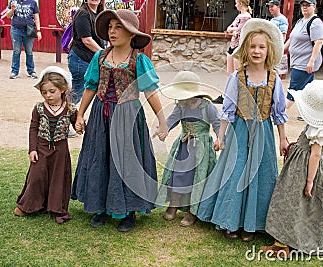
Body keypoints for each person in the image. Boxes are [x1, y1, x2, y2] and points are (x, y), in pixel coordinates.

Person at [71, 9, 168, 232]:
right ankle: (99, 207)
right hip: (101, 116)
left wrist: (162, 121)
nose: (112, 32)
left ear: (132, 33)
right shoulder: (100, 56)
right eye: (110, 27)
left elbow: (151, 92)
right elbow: (90, 87)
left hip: (128, 118)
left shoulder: (139, 60)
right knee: (100, 156)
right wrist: (80, 114)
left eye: (119, 27)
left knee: (127, 161)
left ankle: (129, 210)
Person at [197, 18, 289, 242]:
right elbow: (227, 110)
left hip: (264, 134)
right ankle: (231, 220)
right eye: (252, 46)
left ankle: (253, 223)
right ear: (245, 49)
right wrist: (220, 137)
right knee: (235, 174)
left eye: (261, 47)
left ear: (269, 51)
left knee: (261, 176)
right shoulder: (236, 77)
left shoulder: (274, 79)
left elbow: (279, 112)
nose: (257, 51)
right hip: (239, 132)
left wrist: (283, 140)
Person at [261, 80, 323, 257]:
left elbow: (314, 154)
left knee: (288, 202)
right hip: (305, 165)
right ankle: (301, 239)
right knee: (304, 207)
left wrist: (309, 181)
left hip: (303, 170)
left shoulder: (318, 128)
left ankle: (282, 245)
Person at [14, 66, 78, 224]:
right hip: (41, 148)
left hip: (60, 150)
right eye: (44, 92)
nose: (48, 95)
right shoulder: (39, 108)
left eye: (52, 91)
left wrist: (80, 125)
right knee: (37, 177)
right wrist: (32, 149)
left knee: (58, 178)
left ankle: (57, 208)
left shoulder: (70, 109)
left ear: (62, 89)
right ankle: (29, 205)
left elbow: (78, 124)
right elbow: (33, 128)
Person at [156, 71, 220, 227]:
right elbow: (172, 119)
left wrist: (220, 138)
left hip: (201, 149)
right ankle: (174, 205)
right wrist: (164, 130)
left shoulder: (207, 107)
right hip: (183, 147)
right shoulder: (181, 106)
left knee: (196, 178)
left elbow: (217, 123)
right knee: (178, 175)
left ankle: (193, 211)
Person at [284, 0, 323, 117]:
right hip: (298, 60)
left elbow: (319, 42)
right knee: (306, 90)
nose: (305, 8)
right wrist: (282, 50)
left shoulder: (315, 22)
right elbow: (291, 39)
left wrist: (311, 61)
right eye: (303, 5)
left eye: (308, 5)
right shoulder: (300, 21)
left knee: (294, 88)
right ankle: (309, 113)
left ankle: (282, 112)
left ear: (314, 7)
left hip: (305, 62)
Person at [213, 0, 252, 104]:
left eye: (236, 3)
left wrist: (233, 29)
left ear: (241, 3)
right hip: (233, 44)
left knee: (237, 73)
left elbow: (239, 30)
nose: (235, 5)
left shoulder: (246, 17)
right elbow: (230, 28)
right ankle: (227, 95)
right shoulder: (239, 16)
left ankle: (239, 96)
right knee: (230, 73)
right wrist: (233, 29)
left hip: (239, 46)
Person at [68, 0, 105, 104]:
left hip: (88, 59)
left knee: (80, 92)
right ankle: (62, 114)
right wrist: (104, 53)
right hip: (81, 59)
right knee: (77, 93)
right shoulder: (83, 14)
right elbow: (87, 40)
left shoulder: (97, 14)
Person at [5, 0, 42, 79]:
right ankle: (14, 71)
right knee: (16, 50)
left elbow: (36, 17)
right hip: (16, 29)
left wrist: (38, 31)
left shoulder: (33, 2)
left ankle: (31, 71)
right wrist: (12, 9)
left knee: (29, 51)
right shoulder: (13, 1)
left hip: (29, 30)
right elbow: (8, 16)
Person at [266, 0, 289, 78]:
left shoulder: (282, 19)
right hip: (269, 48)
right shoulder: (272, 20)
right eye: (269, 7)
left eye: (272, 6)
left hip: (275, 49)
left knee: (275, 73)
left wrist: (278, 49)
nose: (270, 9)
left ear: (278, 7)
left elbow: (283, 36)